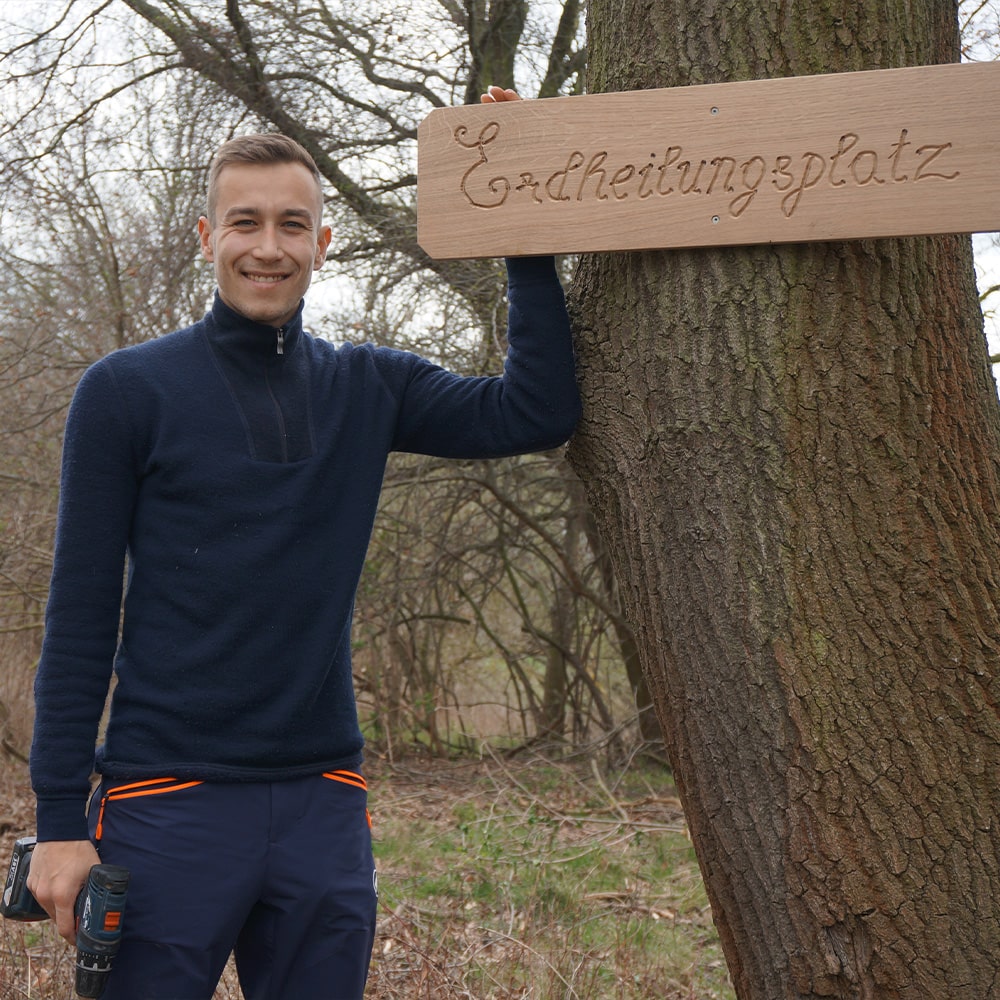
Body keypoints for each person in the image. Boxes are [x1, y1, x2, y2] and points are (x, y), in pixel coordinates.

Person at [26, 85, 579, 1000]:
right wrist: (57, 816)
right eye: (245, 222)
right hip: (166, 799)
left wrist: (523, 237)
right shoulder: (125, 392)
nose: (269, 246)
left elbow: (536, 409)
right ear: (208, 238)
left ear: (325, 243)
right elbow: (81, 613)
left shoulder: (371, 385)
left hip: (323, 795)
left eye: (294, 224)